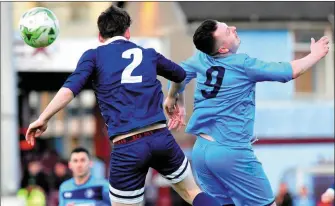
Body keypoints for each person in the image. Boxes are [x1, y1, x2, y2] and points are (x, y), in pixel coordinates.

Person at [25, 6, 220, 206]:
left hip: (128, 146)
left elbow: (70, 89)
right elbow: (179, 74)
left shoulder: (94, 56)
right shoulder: (148, 53)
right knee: (192, 192)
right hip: (160, 138)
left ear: (100, 36)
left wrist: (43, 118)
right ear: (127, 33)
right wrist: (173, 98)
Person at [164, 19, 329, 206]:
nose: (233, 28)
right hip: (230, 151)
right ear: (223, 49)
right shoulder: (243, 64)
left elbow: (177, 74)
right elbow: (289, 71)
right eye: (227, 31)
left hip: (201, 151)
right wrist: (315, 55)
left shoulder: (200, 58)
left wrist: (174, 98)